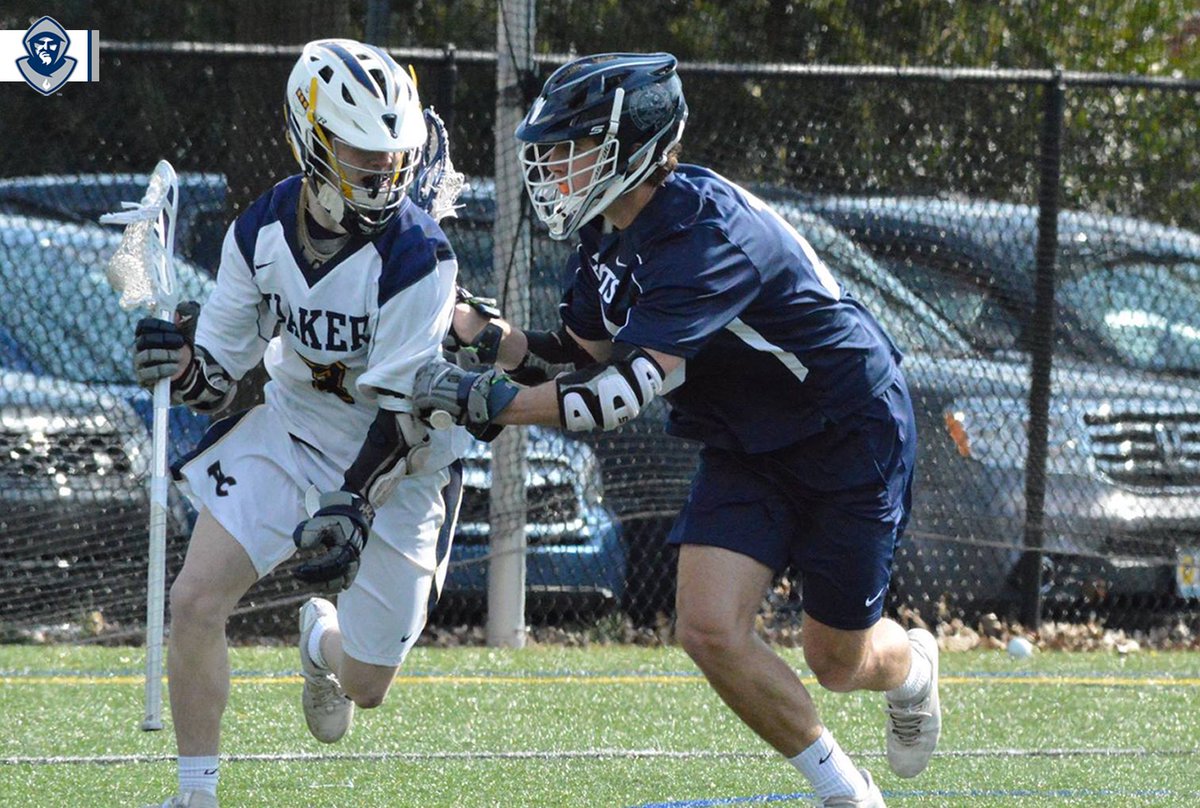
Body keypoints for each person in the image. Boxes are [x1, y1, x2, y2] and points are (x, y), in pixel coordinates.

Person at [413, 52, 939, 807]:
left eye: (574, 148)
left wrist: (483, 399)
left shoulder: (705, 232)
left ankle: (914, 669)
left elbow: (621, 391)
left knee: (835, 659)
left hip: (844, 429)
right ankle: (846, 794)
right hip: (747, 436)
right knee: (707, 627)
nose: (555, 167)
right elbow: (580, 361)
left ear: (636, 148)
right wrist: (479, 335)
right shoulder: (606, 232)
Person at [133, 38, 470, 808]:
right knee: (193, 600)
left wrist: (352, 504)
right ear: (311, 140)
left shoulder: (420, 253)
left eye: (394, 157)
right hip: (291, 429)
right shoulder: (259, 231)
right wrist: (178, 364)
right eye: (361, 153)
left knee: (368, 684)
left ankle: (322, 643)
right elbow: (217, 379)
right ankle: (194, 796)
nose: (384, 173)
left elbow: (405, 412)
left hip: (398, 463)